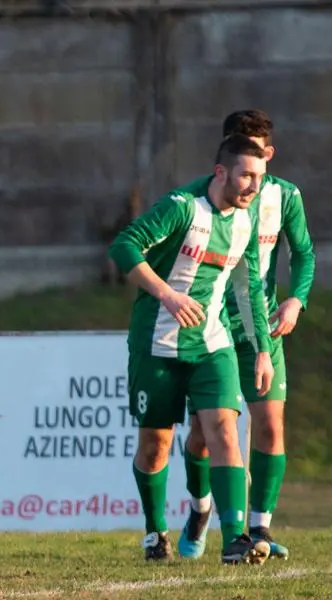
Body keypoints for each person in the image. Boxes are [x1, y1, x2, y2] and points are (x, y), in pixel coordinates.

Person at [108, 134, 274, 565]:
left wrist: (262, 349)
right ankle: (154, 532)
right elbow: (123, 246)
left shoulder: (245, 219)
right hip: (157, 344)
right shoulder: (183, 207)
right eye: (245, 176)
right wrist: (167, 294)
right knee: (155, 446)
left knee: (223, 429)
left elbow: (249, 285)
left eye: (259, 177)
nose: (253, 186)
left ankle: (236, 537)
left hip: (211, 344)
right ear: (221, 172)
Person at [178, 110, 315, 561]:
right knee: (203, 432)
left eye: (255, 147)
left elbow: (304, 254)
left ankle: (258, 530)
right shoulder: (201, 195)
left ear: (268, 153)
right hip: (210, 324)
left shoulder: (284, 196)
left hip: (261, 326)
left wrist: (295, 299)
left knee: (271, 425)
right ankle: (200, 510)